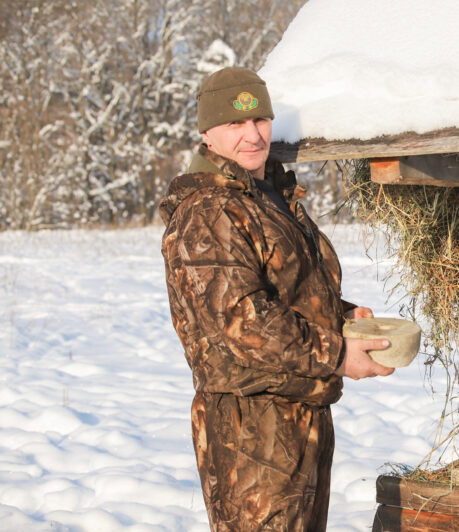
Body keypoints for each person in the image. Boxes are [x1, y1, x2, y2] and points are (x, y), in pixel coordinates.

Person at [159, 66, 394, 531]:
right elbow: (244, 321)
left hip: (300, 409)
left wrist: (342, 317)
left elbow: (283, 289)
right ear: (208, 133)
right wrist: (338, 353)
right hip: (252, 427)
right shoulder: (209, 210)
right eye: (235, 124)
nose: (252, 135)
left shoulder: (267, 196)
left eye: (260, 121)